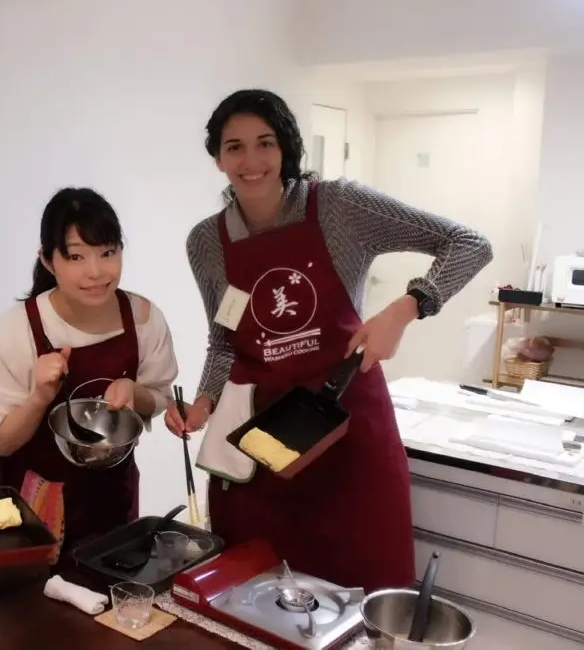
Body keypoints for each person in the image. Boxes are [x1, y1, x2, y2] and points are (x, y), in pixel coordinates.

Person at [164, 89, 493, 593]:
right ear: (217, 158)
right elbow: (224, 343)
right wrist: (203, 402)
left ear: (287, 149)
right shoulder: (206, 241)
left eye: (265, 143)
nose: (251, 161)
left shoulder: (338, 207)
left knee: (364, 598)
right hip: (263, 448)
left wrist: (405, 309)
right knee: (256, 600)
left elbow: (469, 244)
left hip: (348, 435)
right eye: (235, 147)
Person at [0, 187, 179, 565]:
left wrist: (136, 393)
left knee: (110, 604)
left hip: (112, 499)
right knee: (30, 616)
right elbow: (2, 443)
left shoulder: (143, 318)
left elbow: (162, 396)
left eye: (108, 252)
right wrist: (40, 396)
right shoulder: (12, 333)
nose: (96, 272)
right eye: (76, 256)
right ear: (48, 260)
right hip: (31, 505)